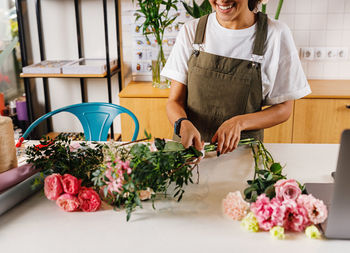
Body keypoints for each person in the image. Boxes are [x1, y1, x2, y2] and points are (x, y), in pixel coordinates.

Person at [161, 0, 311, 155]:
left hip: (243, 155)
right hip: (189, 153)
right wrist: (182, 124)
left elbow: (284, 109)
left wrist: (240, 122)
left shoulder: (275, 34)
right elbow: (174, 101)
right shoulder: (192, 31)